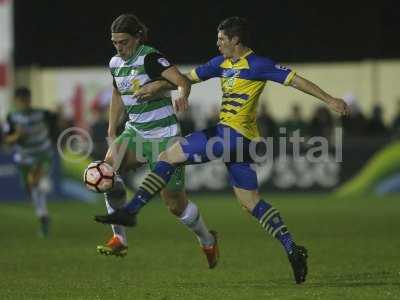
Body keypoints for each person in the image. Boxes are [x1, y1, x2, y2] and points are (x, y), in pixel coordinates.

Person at [95, 16, 350, 283]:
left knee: (168, 156)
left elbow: (295, 80)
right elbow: (187, 78)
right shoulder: (221, 64)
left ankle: (131, 210)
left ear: (235, 40)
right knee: (251, 203)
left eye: (221, 40)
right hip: (245, 143)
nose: (217, 44)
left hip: (229, 135)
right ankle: (292, 248)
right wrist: (160, 85)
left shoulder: (259, 64)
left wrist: (330, 99)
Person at [94, 13, 219, 268]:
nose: (119, 47)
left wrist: (168, 89)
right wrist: (111, 129)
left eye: (124, 41)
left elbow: (182, 81)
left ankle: (207, 239)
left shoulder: (150, 57)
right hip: (135, 132)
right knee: (107, 173)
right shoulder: (115, 62)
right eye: (115, 42)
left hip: (165, 138)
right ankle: (119, 239)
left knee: (175, 205)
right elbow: (118, 94)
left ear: (137, 37)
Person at [2, 87, 57, 237]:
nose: (24, 103)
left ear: (30, 100)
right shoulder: (12, 117)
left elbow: (56, 122)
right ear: (16, 101)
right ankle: (43, 216)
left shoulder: (42, 114)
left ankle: (43, 216)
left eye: (26, 100)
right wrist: (18, 135)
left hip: (42, 155)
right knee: (31, 187)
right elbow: (7, 139)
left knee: (34, 181)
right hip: (24, 158)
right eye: (21, 101)